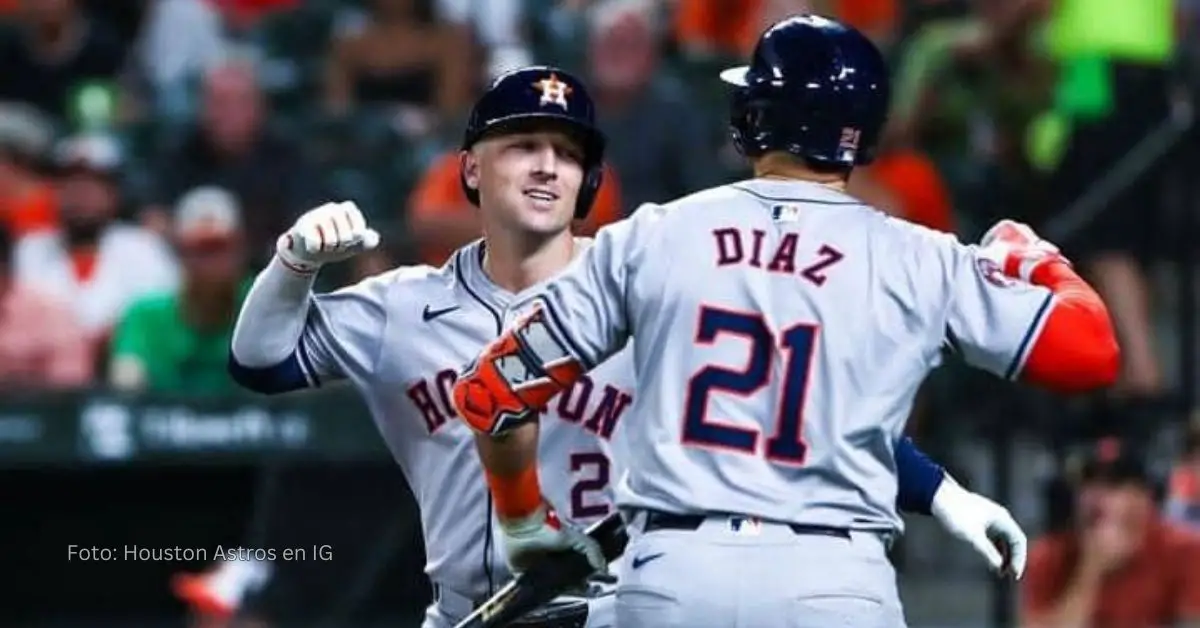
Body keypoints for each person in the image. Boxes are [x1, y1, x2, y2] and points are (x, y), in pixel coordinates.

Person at [230, 65, 1027, 628]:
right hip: (469, 607)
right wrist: (294, 265)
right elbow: (260, 362)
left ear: (591, 181)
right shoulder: (404, 307)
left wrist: (943, 496)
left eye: (569, 152)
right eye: (522, 144)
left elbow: (812, 423)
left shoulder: (652, 288)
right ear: (470, 168)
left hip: (619, 606)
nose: (548, 164)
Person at [450, 18, 1120, 628]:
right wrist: (1039, 261)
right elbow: (1090, 353)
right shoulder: (922, 258)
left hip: (674, 577)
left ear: (752, 115)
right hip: (833, 582)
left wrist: (524, 523)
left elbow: (493, 391)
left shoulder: (654, 236)